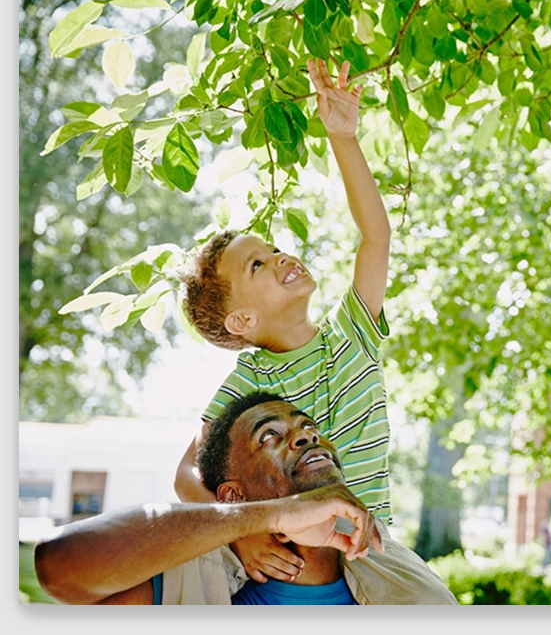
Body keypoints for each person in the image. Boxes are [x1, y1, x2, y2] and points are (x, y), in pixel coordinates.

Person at [174, 57, 394, 584]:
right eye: (258, 265)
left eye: (272, 249)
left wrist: (343, 136)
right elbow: (185, 476)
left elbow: (376, 237)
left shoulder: (352, 334)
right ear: (242, 320)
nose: (280, 258)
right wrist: (240, 532)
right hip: (292, 563)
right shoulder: (250, 383)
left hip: (374, 554)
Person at [34, 392, 458, 605]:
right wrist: (267, 517)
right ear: (233, 496)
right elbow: (59, 564)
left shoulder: (400, 576)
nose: (306, 436)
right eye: (270, 436)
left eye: (308, 427)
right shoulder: (194, 585)